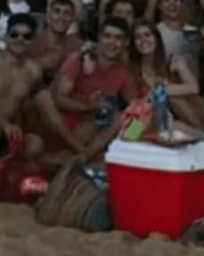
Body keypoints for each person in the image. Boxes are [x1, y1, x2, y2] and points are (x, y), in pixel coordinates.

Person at [47, 18, 139, 159]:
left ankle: (84, 156)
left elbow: (139, 110)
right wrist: (88, 105)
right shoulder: (78, 59)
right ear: (99, 38)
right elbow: (60, 99)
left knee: (118, 118)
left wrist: (132, 137)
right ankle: (81, 155)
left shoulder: (123, 73)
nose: (112, 42)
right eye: (107, 36)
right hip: (60, 124)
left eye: (118, 38)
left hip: (91, 128)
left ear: (125, 43)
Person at [0, 13, 44, 161]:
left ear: (32, 40)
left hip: (12, 128)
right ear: (6, 37)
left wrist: (18, 127)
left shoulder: (34, 71)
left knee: (36, 143)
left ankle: (13, 168)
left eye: (26, 36)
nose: (19, 40)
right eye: (14, 35)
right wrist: (1, 122)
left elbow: (24, 106)